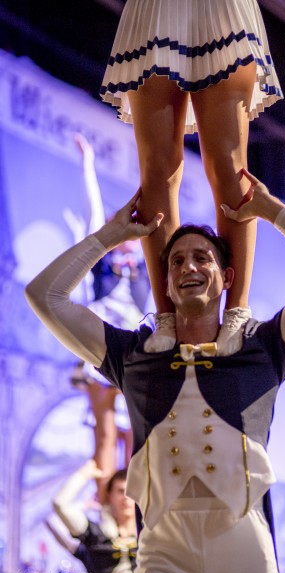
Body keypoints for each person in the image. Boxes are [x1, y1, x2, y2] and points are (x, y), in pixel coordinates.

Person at [25, 169, 285, 573]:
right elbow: (44, 295)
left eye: (202, 258)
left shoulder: (264, 347)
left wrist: (271, 210)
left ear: (227, 278)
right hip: (164, 552)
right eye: (177, 261)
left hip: (243, 545)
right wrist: (110, 235)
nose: (189, 267)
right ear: (166, 285)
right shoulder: (133, 356)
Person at [100, 0, 284, 355]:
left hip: (221, 9)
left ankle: (236, 311)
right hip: (155, 9)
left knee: (229, 165)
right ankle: (166, 317)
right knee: (157, 169)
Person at [66, 133, 151, 501]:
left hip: (133, 342)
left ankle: (135, 503)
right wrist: (88, 166)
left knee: (138, 429)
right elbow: (93, 214)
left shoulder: (150, 264)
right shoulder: (102, 253)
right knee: (103, 431)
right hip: (102, 340)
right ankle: (105, 501)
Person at [48, 459, 137, 573]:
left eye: (131, 493)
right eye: (120, 491)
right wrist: (84, 474)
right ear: (110, 495)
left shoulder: (148, 539)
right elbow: (60, 505)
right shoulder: (97, 536)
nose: (126, 498)